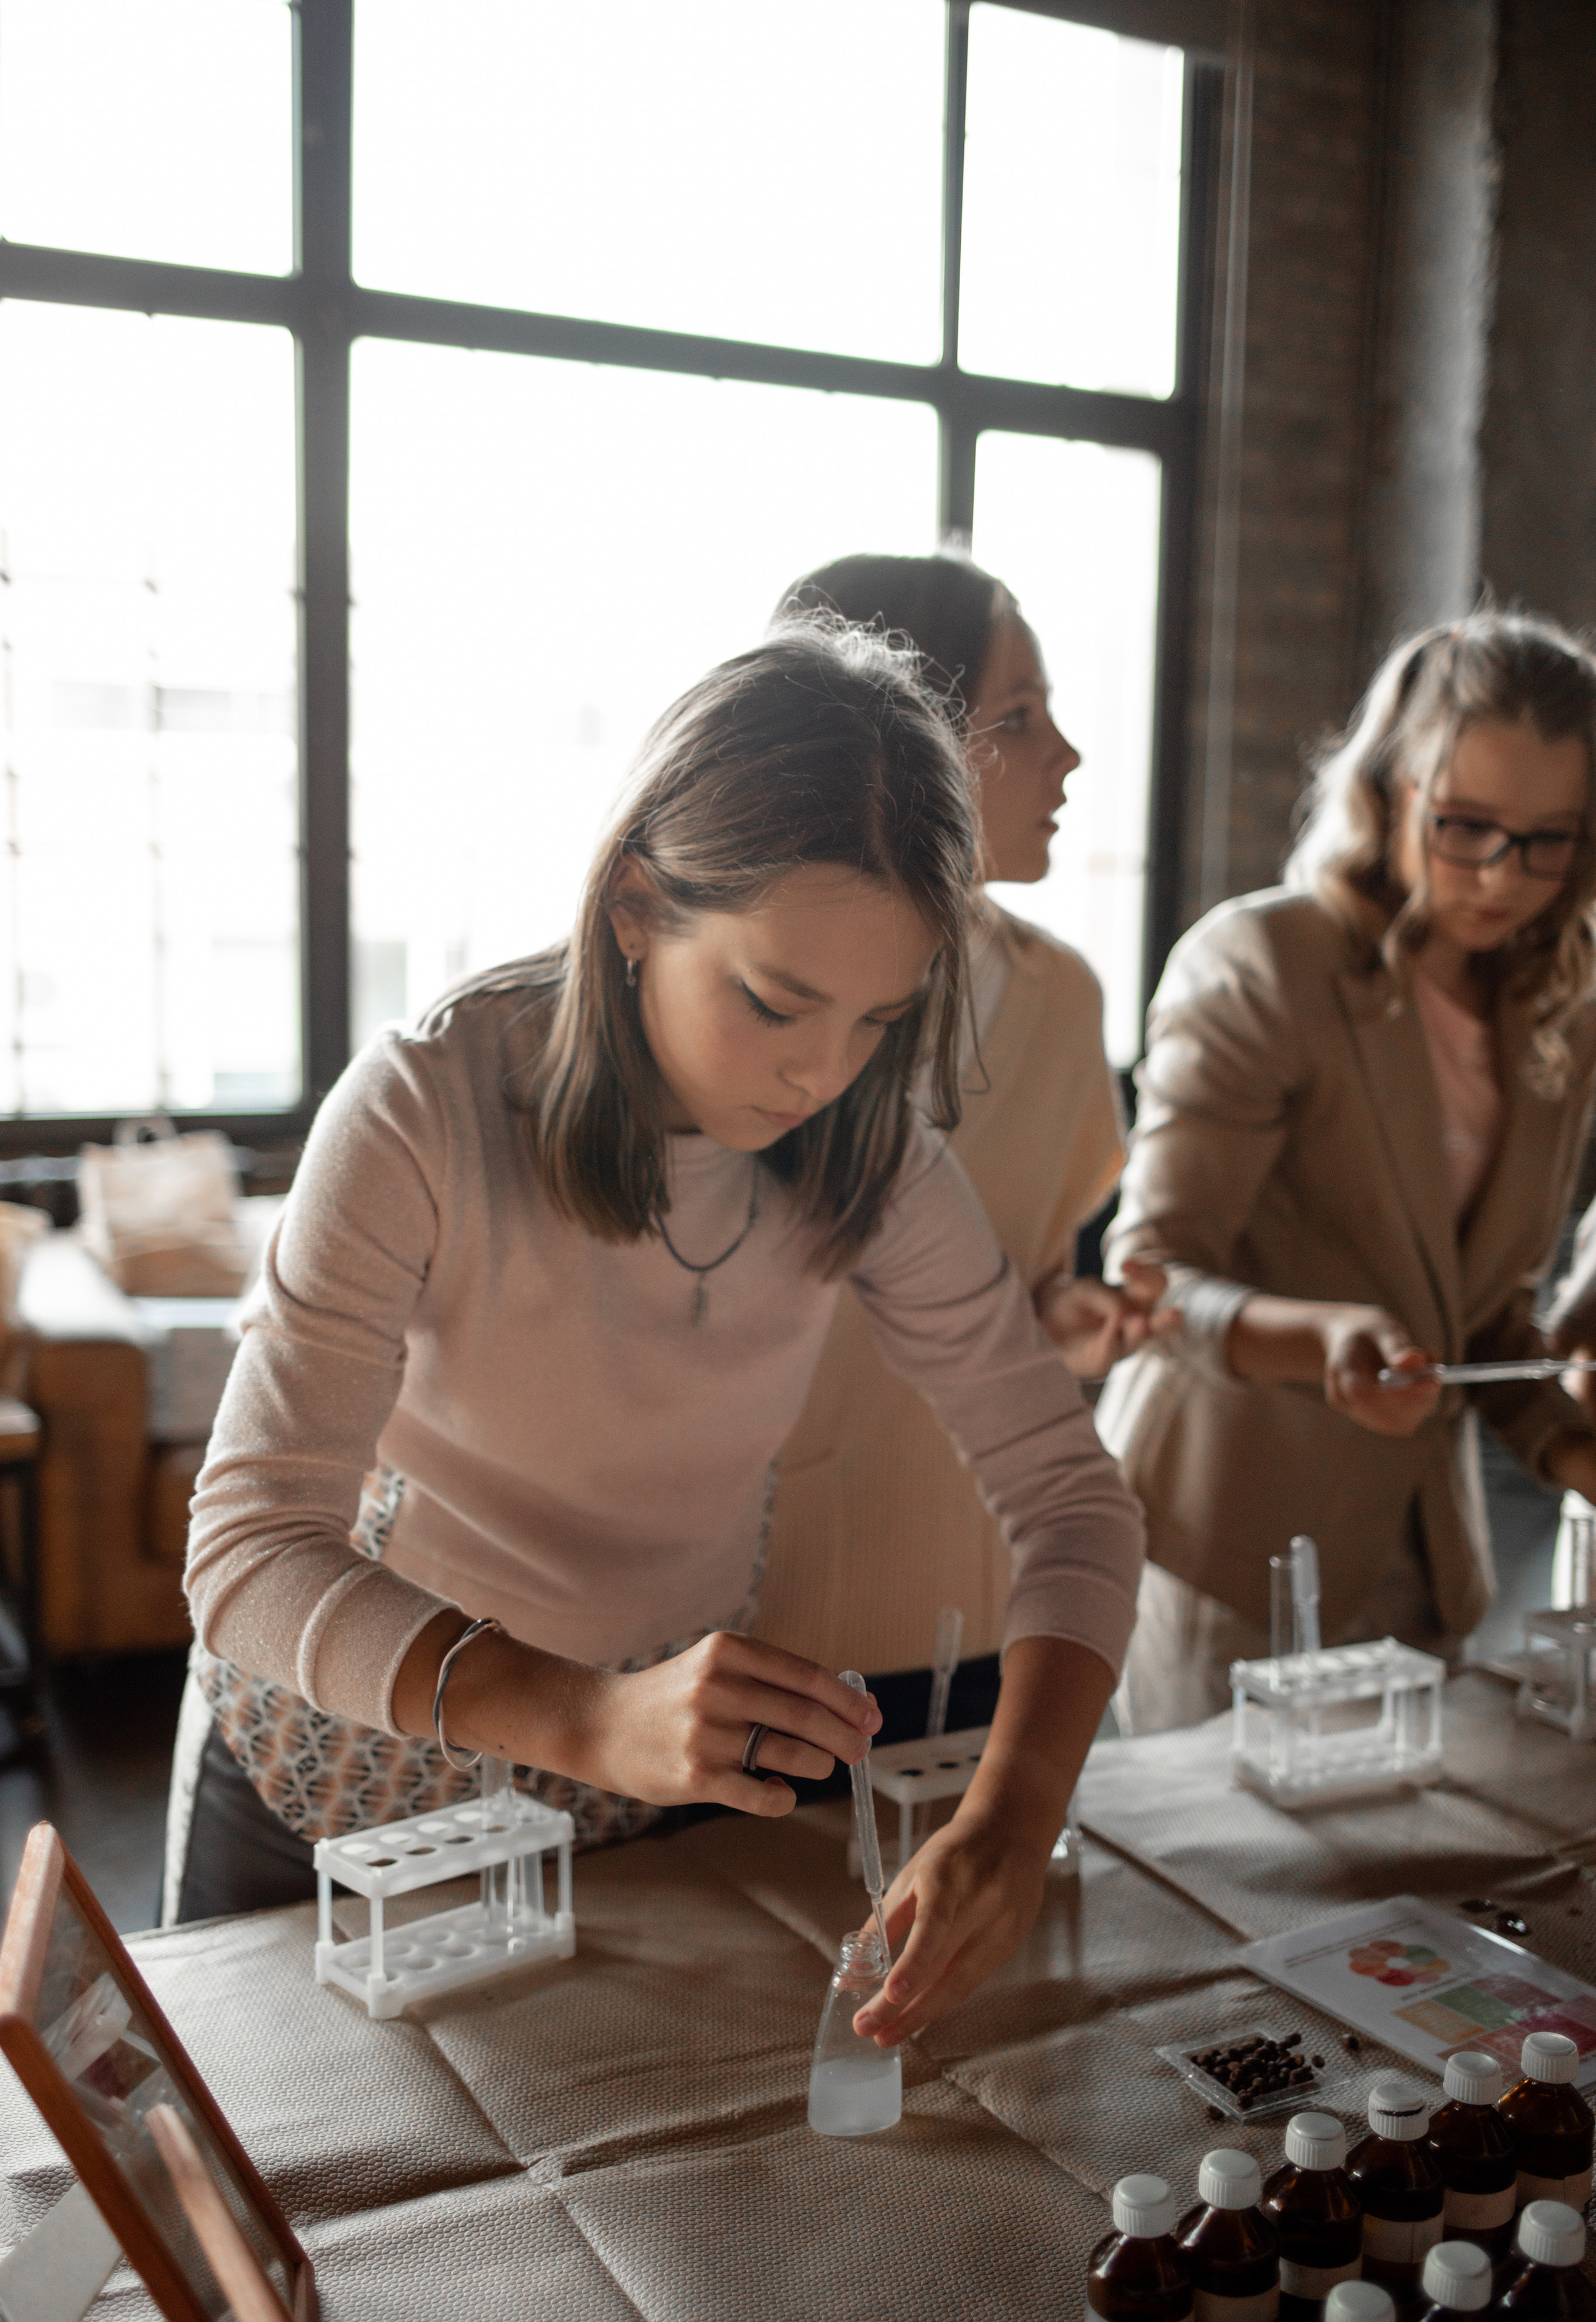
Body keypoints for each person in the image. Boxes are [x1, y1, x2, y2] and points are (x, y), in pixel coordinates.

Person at [170, 618, 1143, 2048]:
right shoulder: (426, 1101)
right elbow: (246, 1556)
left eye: (879, 1017)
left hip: (637, 1765)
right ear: (633, 904)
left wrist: (1011, 1814)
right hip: (343, 1744)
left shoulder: (869, 1148)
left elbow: (1071, 1500)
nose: (822, 1072)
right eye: (772, 1001)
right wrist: (580, 1717)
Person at [1098, 610, 1596, 1732]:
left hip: (1430, 1559)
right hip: (1231, 1548)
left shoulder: (1560, 1002)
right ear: (1390, 789)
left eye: (1549, 838)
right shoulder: (1265, 963)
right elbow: (1149, 1279)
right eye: (1466, 826)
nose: (1503, 877)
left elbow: (1485, 1312)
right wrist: (1315, 1337)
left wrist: (1569, 1447)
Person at [756, 551, 1168, 1732]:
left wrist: (1069, 1325)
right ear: (893, 738)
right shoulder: (739, 999)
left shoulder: (1062, 1001)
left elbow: (1022, 1296)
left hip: (992, 1621)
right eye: (1022, 717)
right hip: (754, 1631)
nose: (1069, 757)